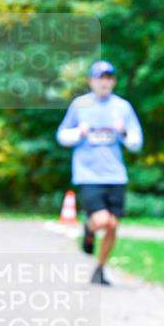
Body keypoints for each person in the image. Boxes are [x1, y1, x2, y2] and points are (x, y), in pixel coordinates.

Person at [56, 60, 143, 285]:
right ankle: (89, 227)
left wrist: (123, 132)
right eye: (99, 78)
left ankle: (100, 269)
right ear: (91, 81)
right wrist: (79, 132)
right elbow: (62, 136)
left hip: (116, 175)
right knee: (102, 220)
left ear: (113, 82)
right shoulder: (80, 105)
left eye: (108, 78)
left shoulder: (122, 107)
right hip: (89, 174)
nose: (104, 82)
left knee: (113, 225)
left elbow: (136, 142)